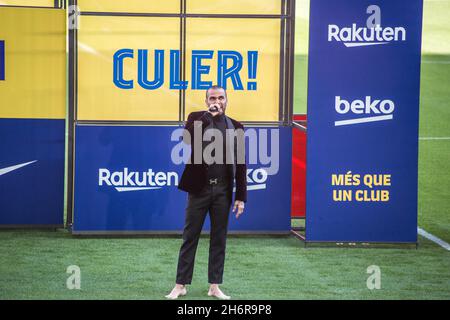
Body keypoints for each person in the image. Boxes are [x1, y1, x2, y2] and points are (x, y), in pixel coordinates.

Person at [165, 85, 247, 300]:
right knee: (190, 237)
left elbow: (241, 164)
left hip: (223, 190)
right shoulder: (196, 118)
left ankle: (214, 286)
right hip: (199, 190)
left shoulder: (236, 126)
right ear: (206, 100)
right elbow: (186, 139)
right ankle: (180, 284)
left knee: (219, 239)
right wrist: (207, 117)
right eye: (213, 98)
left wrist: (240, 197)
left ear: (227, 100)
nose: (217, 101)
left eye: (221, 98)